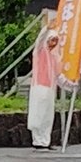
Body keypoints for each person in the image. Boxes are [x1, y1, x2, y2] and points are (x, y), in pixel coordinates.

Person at [27, 12, 66, 150]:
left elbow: (59, 76)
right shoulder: (39, 52)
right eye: (51, 40)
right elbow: (39, 40)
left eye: (55, 40)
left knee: (48, 116)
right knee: (38, 114)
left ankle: (45, 141)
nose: (53, 43)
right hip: (38, 87)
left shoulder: (55, 57)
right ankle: (37, 140)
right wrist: (47, 29)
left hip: (50, 89)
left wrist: (71, 85)